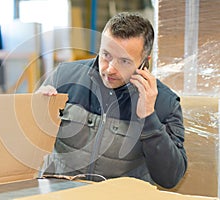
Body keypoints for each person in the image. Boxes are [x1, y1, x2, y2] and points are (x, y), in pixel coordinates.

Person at [35, 12, 187, 189]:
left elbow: (170, 178)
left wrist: (148, 117)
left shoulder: (164, 103)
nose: (110, 69)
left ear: (145, 63)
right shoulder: (64, 77)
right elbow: (26, 144)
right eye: (106, 55)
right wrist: (36, 110)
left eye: (124, 61)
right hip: (59, 192)